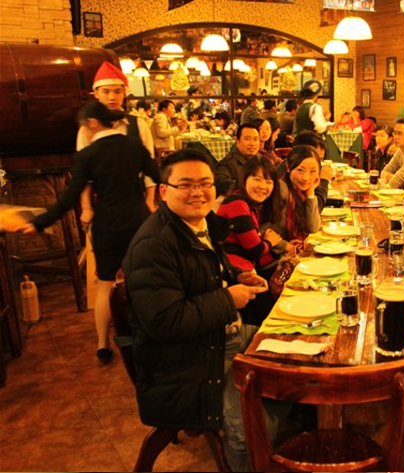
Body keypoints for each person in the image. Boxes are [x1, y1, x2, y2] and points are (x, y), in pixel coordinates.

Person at [122, 149, 288, 472]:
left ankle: (268, 426)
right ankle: (255, 443)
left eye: (205, 183)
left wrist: (237, 276)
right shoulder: (153, 245)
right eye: (186, 184)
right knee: (249, 431)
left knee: (297, 360)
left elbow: (207, 274)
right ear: (163, 191)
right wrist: (228, 299)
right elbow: (165, 321)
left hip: (221, 339)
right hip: (186, 364)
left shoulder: (202, 225)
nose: (197, 192)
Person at [18, 102, 161, 364]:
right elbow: (158, 175)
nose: (82, 131)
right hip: (139, 223)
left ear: (93, 123)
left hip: (108, 227)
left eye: (83, 126)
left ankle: (103, 344)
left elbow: (70, 195)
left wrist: (40, 222)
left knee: (106, 285)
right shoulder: (133, 146)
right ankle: (151, 336)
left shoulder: (87, 155)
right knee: (144, 279)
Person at [218, 156, 291, 323]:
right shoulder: (237, 203)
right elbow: (255, 249)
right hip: (235, 273)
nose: (263, 186)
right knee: (277, 309)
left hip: (244, 268)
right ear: (244, 179)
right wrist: (270, 242)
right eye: (257, 179)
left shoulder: (249, 205)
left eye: (268, 181)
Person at [78, 61, 157, 213]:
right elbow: (84, 175)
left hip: (136, 199)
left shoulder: (138, 124)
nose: (112, 97)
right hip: (103, 200)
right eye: (106, 92)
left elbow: (150, 166)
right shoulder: (87, 128)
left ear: (124, 93)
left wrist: (150, 200)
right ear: (96, 94)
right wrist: (86, 207)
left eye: (117, 91)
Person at [283, 145, 324, 240]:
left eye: (312, 171)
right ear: (288, 168)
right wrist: (285, 246)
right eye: (300, 170)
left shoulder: (301, 193)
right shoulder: (282, 190)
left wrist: (310, 194)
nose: (305, 178)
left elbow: (313, 228)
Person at [215, 123, 260, 196]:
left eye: (255, 139)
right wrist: (249, 185)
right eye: (247, 139)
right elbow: (220, 183)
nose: (252, 143)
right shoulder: (227, 163)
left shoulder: (260, 160)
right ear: (238, 142)